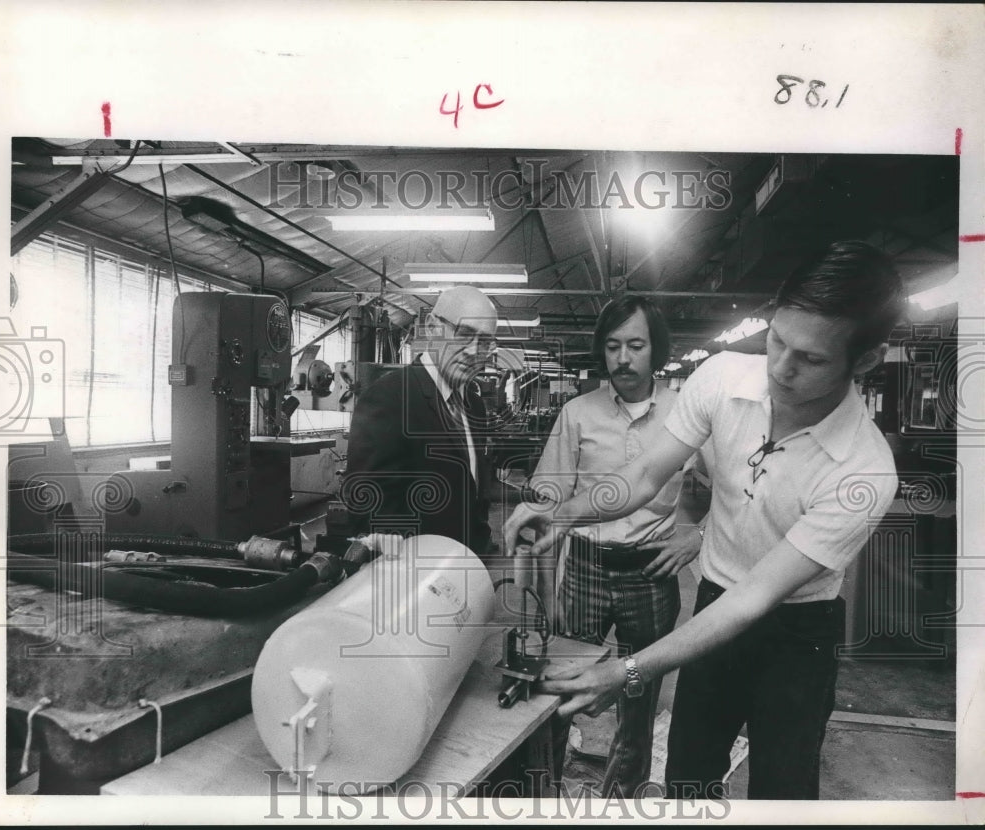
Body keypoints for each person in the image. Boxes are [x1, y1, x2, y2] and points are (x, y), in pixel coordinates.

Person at [504, 241, 905, 799]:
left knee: (782, 791)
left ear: (865, 360)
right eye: (777, 341)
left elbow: (756, 599)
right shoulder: (721, 379)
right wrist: (564, 512)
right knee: (688, 775)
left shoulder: (864, 471)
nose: (781, 370)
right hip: (715, 598)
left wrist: (627, 671)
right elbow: (645, 476)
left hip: (797, 631)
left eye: (810, 359)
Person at [528, 295, 702, 798]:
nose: (623, 358)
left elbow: (728, 485)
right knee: (561, 688)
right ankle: (543, 793)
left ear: (656, 351)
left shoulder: (686, 414)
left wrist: (699, 532)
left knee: (637, 695)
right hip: (583, 567)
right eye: (612, 346)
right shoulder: (577, 413)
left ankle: (621, 801)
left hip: (651, 571)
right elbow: (550, 492)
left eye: (635, 345)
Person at [343, 286, 498, 558]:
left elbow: (471, 494)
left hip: (462, 571)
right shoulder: (390, 397)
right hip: (412, 577)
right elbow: (366, 504)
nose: (474, 351)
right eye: (464, 334)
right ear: (432, 326)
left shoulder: (473, 403)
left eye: (484, 342)